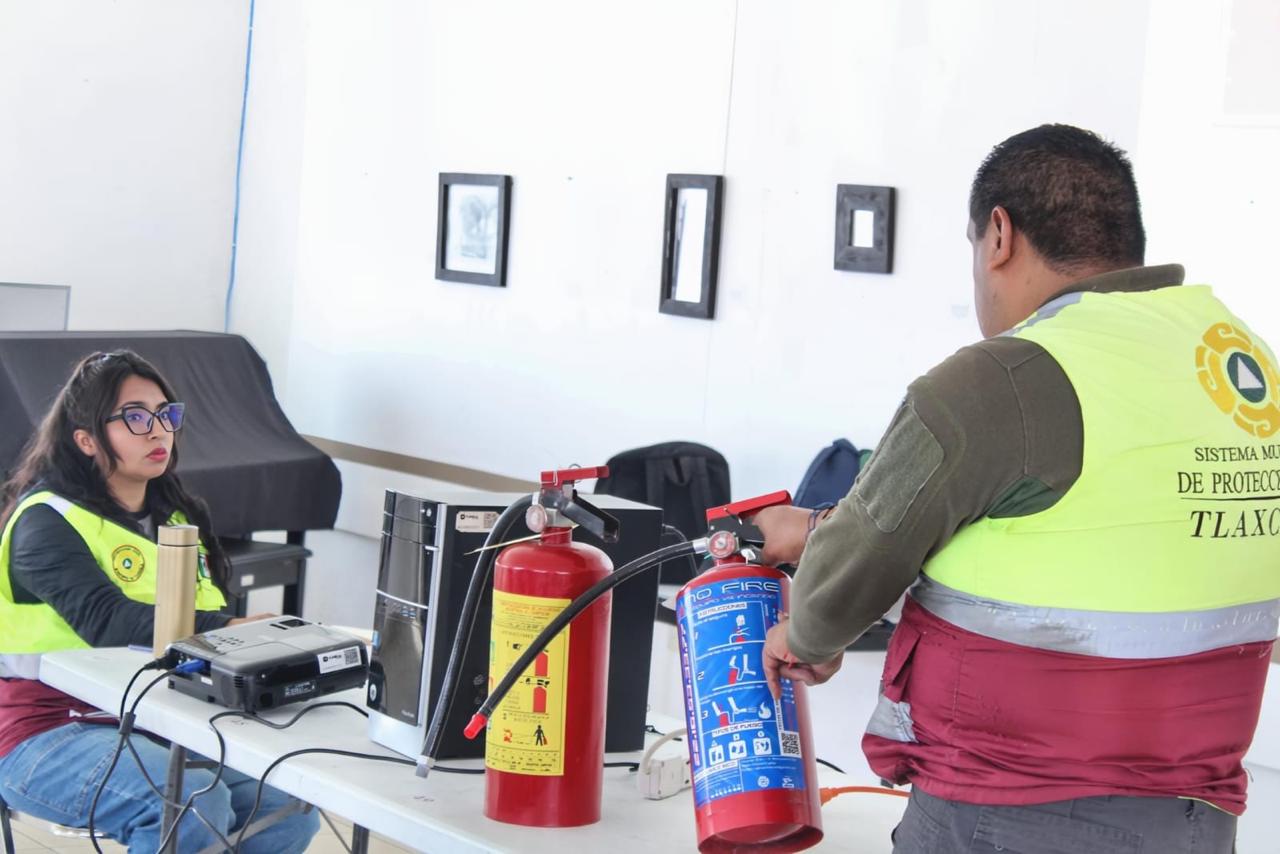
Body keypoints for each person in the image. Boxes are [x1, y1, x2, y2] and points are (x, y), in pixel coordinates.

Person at [757, 124, 1276, 853]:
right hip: (1197, 816)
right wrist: (821, 529)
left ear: (999, 235)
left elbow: (854, 567)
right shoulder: (1240, 364)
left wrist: (805, 634)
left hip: (1010, 811)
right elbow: (1095, 535)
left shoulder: (1003, 377)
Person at [0, 350, 321, 853]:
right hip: (46, 729)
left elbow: (205, 616)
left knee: (288, 806)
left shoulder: (179, 517)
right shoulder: (46, 521)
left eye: (166, 414)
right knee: (189, 802)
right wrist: (231, 626)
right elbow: (107, 621)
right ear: (86, 440)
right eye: (135, 417)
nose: (158, 431)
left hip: (158, 719)